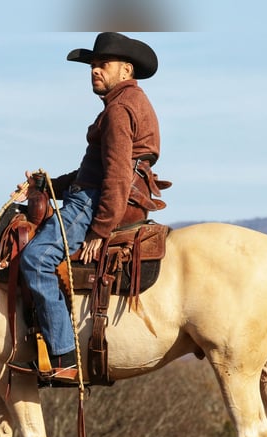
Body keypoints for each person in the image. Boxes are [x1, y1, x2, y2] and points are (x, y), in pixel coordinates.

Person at [10, 32, 166, 381]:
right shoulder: (127, 104)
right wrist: (44, 186)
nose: (95, 70)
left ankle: (63, 357)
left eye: (103, 64)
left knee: (36, 260)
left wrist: (101, 228)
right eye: (93, 65)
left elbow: (117, 174)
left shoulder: (119, 110)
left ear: (126, 70)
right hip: (93, 194)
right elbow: (91, 173)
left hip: (93, 203)